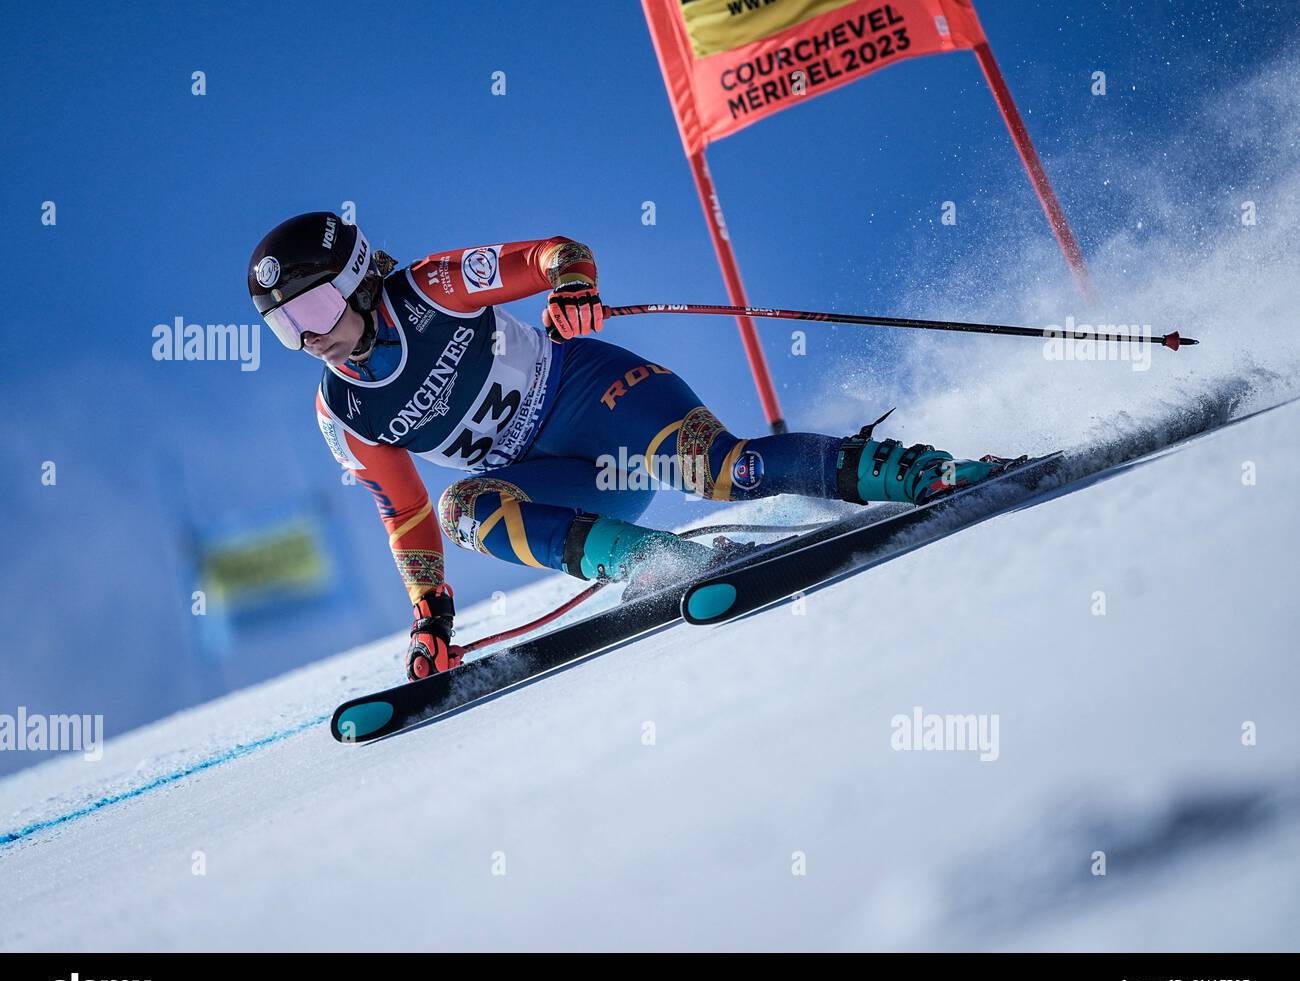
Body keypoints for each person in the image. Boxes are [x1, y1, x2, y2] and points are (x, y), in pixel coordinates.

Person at [247, 211, 1016, 681]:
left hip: (595, 399)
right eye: (284, 326)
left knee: (727, 470)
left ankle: (925, 473)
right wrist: (431, 615)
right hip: (555, 479)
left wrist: (571, 288)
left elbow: (556, 251)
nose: (309, 335)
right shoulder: (342, 410)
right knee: (462, 507)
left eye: (312, 304)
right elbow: (405, 514)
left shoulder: (428, 287)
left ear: (354, 279)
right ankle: (658, 563)